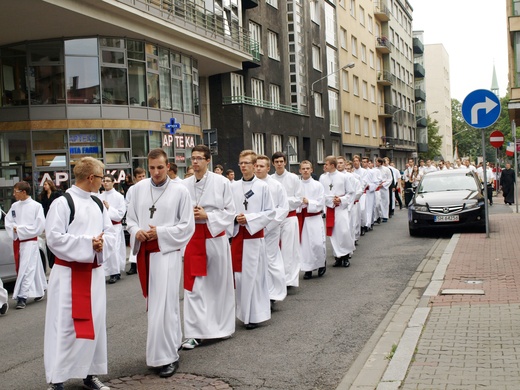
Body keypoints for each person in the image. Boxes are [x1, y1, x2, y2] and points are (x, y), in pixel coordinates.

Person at [44, 156, 117, 390]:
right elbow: (54, 238)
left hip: (93, 274)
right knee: (64, 326)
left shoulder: (97, 202)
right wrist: (89, 243)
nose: (102, 182)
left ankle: (90, 373)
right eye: (101, 177)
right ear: (90, 178)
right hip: (68, 275)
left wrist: (101, 243)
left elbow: (111, 233)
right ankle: (57, 379)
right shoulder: (63, 203)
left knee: (94, 324)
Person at [126, 148, 195, 378]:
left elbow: (187, 225)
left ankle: (166, 357)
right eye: (152, 168)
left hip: (167, 254)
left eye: (160, 167)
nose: (155, 172)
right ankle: (172, 343)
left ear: (168, 166)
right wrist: (136, 231)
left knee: (163, 306)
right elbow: (131, 219)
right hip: (146, 253)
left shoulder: (180, 191)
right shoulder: (137, 190)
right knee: (159, 305)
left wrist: (161, 232)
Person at [180, 145, 235, 350]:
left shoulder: (221, 183)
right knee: (194, 287)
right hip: (193, 239)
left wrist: (208, 216)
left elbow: (230, 212)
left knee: (218, 285)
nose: (195, 162)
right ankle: (194, 333)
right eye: (192, 158)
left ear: (208, 160)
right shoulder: (183, 185)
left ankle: (221, 328)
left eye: (199, 158)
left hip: (214, 238)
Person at [230, 150, 275, 329]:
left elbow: (270, 212)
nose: (243, 166)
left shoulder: (262, 187)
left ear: (254, 165)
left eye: (247, 163)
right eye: (241, 163)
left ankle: (255, 315)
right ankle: (243, 313)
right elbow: (227, 210)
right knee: (240, 277)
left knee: (255, 277)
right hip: (238, 236)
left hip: (254, 238)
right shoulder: (232, 186)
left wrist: (248, 219)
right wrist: (234, 218)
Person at [5, 181, 47, 309]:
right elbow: (9, 221)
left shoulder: (36, 206)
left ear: (24, 192)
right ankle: (40, 290)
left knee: (27, 268)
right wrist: (14, 228)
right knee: (34, 267)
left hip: (30, 241)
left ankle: (22, 297)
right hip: (18, 241)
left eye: (16, 192)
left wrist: (20, 229)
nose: (14, 194)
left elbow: (39, 226)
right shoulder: (14, 206)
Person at [255, 155, 288, 305]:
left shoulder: (276, 185)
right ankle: (259, 293)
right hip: (253, 230)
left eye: (262, 166)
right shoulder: (250, 184)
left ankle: (273, 293)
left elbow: (283, 208)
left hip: (271, 229)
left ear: (268, 168)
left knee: (270, 261)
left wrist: (268, 225)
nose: (258, 168)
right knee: (256, 263)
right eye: (256, 166)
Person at [271, 152, 303, 288]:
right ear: (273, 164)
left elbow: (299, 199)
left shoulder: (294, 178)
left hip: (289, 217)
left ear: (285, 162)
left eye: (281, 161)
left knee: (289, 249)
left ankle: (289, 279)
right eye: (276, 161)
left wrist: (283, 203)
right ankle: (277, 277)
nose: (279, 164)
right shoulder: (270, 179)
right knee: (273, 249)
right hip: (274, 219)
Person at [320, 156, 356, 267]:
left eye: (326, 164)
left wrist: (340, 199)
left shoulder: (343, 177)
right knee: (334, 233)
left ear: (332, 165)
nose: (324, 166)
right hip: (329, 207)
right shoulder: (322, 178)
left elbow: (351, 192)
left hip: (341, 208)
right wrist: (329, 201)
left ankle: (345, 257)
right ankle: (337, 257)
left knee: (343, 231)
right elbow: (320, 193)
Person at [298, 161, 326, 279]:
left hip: (314, 217)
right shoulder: (297, 185)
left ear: (311, 170)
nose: (305, 170)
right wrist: (300, 203)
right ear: (300, 171)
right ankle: (308, 269)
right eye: (303, 168)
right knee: (305, 245)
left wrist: (308, 202)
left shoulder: (317, 185)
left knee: (317, 243)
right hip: (302, 218)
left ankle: (321, 264)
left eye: (307, 168)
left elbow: (321, 202)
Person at [98, 174, 127, 284]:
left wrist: (109, 208)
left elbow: (120, 214)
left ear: (113, 182)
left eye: (108, 181)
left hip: (115, 226)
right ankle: (106, 271)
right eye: (104, 181)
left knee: (114, 249)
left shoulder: (119, 196)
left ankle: (115, 272)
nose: (105, 183)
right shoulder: (100, 196)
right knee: (105, 249)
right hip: (104, 227)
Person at [125, 167, 146, 276]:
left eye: (143, 176)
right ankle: (133, 265)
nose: (142, 178)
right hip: (136, 218)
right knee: (134, 242)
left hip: (146, 218)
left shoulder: (149, 187)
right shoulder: (132, 189)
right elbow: (127, 203)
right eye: (139, 177)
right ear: (135, 178)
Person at [39, 179, 61, 268]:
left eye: (46, 184)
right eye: (44, 184)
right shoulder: (42, 196)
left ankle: (55, 259)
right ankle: (51, 262)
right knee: (48, 241)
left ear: (50, 185)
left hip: (55, 217)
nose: (44, 186)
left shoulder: (57, 194)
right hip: (46, 218)